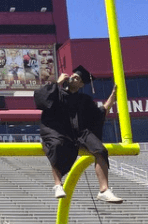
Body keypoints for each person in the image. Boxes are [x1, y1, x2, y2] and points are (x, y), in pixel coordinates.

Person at [34, 65, 121, 202]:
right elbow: (41, 99)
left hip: (80, 133)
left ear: (81, 84)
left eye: (77, 78)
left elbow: (98, 114)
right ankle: (58, 185)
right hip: (57, 130)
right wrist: (58, 83)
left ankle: (104, 190)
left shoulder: (84, 100)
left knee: (100, 149)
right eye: (73, 75)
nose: (73, 77)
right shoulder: (56, 93)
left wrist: (111, 99)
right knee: (56, 145)